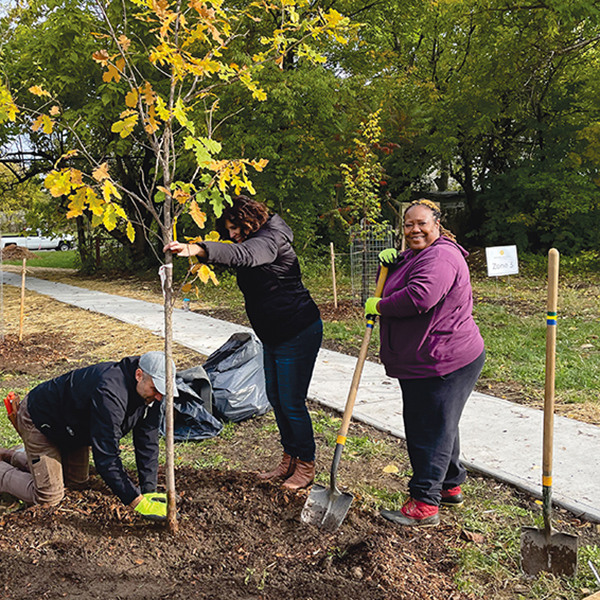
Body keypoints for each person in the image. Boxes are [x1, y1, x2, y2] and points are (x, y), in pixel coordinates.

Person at [164, 195, 322, 491]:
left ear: (248, 218)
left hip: (298, 331)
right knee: (276, 399)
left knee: (291, 402)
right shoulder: (254, 240)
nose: (232, 235)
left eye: (235, 228)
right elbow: (237, 254)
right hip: (273, 335)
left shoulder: (270, 240)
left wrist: (197, 248)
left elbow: (245, 255)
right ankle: (289, 458)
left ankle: (306, 465)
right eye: (230, 231)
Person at [364, 199, 485, 527]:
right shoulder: (417, 254)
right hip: (428, 356)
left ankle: (424, 503)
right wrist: (391, 263)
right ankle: (449, 485)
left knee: (427, 429)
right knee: (441, 422)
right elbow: (399, 280)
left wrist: (380, 306)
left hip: (442, 360)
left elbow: (420, 297)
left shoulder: (442, 256)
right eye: (408, 225)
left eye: (421, 224)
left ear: (437, 224)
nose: (414, 229)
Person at [0, 351, 178, 521]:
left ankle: (10, 455)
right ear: (139, 375)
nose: (159, 397)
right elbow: (106, 457)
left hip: (74, 428)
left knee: (76, 483)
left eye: (163, 391)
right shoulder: (110, 393)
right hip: (41, 421)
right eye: (155, 389)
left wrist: (148, 490)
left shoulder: (151, 394)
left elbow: (147, 439)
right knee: (49, 497)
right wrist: (136, 501)